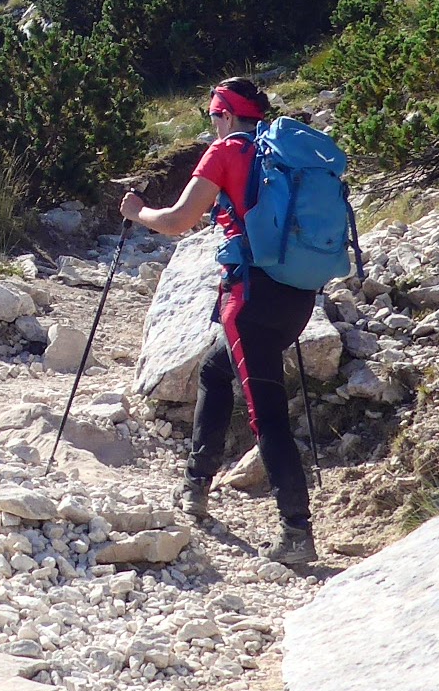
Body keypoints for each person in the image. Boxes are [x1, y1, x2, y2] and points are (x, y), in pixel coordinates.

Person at [117, 77, 318, 567]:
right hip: (299, 292)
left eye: (212, 117)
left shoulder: (227, 151)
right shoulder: (285, 153)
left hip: (249, 298)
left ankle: (297, 532)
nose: (211, 126)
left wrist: (137, 211)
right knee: (214, 369)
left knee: (266, 412)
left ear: (226, 115)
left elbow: (177, 221)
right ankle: (196, 484)